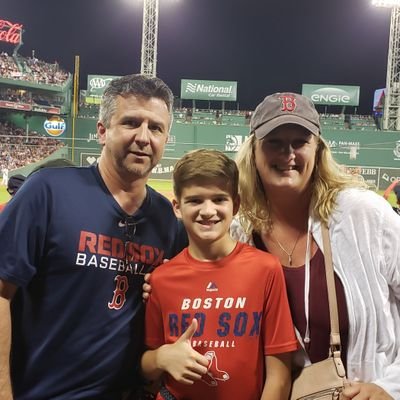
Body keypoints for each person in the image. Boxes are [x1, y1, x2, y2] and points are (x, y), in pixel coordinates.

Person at [0, 74, 187, 400]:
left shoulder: (168, 221)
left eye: (156, 128)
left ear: (166, 138)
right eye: (131, 122)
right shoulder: (48, 191)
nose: (144, 137)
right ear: (102, 131)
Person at [230, 92, 400, 399]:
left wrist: (390, 387)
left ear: (318, 149)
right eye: (275, 142)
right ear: (253, 151)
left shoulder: (362, 214)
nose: (288, 154)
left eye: (300, 142)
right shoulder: (239, 233)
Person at [141, 149, 298, 400]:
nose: (207, 211)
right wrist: (161, 357)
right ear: (177, 207)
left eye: (218, 199)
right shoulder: (162, 278)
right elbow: (147, 365)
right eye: (195, 200)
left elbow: (279, 376)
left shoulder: (265, 269)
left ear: (235, 204)